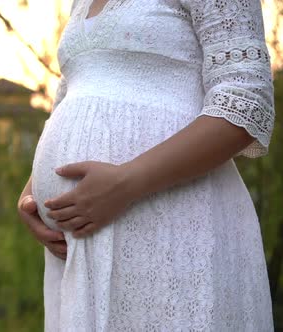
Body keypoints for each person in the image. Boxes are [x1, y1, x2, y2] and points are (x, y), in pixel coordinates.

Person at [17, 0, 275, 330]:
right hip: (81, 245)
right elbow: (73, 97)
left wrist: (128, 181)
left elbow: (246, 105)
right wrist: (34, 193)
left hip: (175, 227)